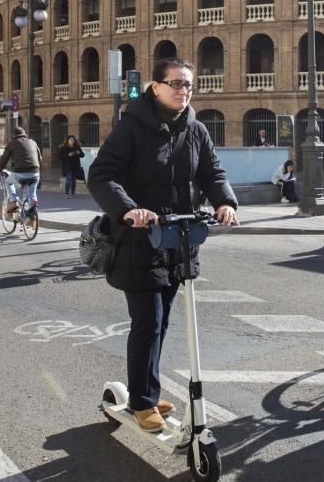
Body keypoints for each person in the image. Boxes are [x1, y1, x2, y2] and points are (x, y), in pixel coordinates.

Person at [88, 57, 239, 433]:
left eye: (188, 84)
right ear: (155, 87)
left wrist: (224, 202)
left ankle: (149, 391)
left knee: (162, 321)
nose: (182, 91)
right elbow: (101, 176)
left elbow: (211, 171)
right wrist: (129, 210)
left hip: (177, 239)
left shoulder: (195, 129)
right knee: (148, 322)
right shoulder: (132, 127)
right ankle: (141, 401)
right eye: (175, 83)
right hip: (139, 240)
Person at [0, 126, 42, 211]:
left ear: (14, 135)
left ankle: (14, 202)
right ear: (24, 134)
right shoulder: (33, 142)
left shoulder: (13, 143)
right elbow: (40, 158)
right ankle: (33, 205)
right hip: (35, 173)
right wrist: (37, 170)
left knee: (8, 182)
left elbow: (4, 159)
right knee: (32, 193)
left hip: (20, 173)